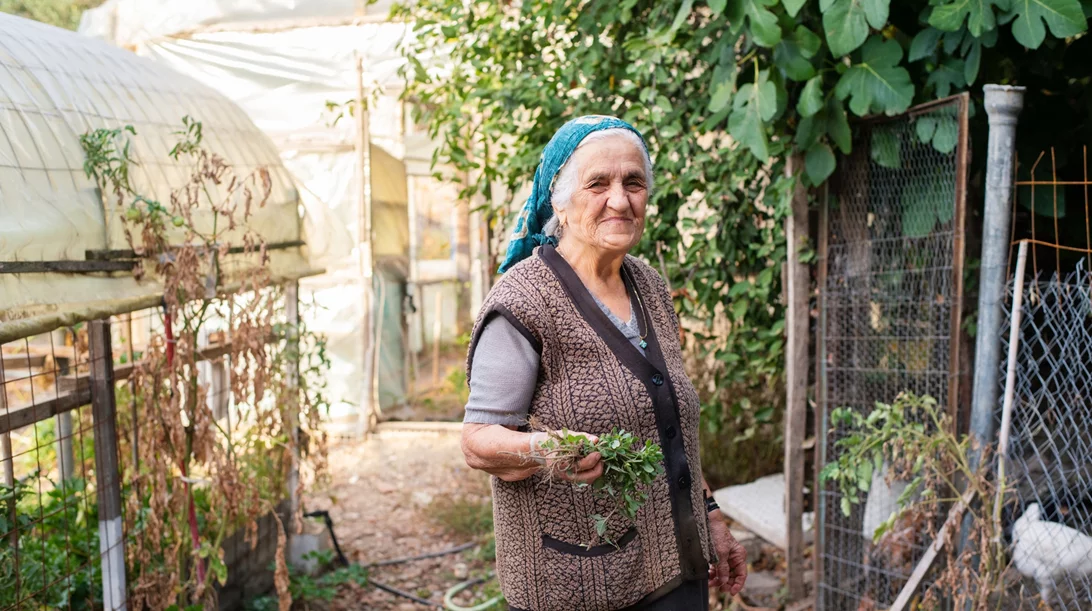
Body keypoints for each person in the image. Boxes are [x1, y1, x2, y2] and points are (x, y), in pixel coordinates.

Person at [461, 115, 748, 611]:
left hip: (676, 573)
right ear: (560, 202)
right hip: (577, 584)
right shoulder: (524, 302)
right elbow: (478, 443)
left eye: (633, 183)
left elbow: (670, 426)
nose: (619, 200)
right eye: (598, 184)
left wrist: (711, 518)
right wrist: (548, 450)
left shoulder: (649, 286)